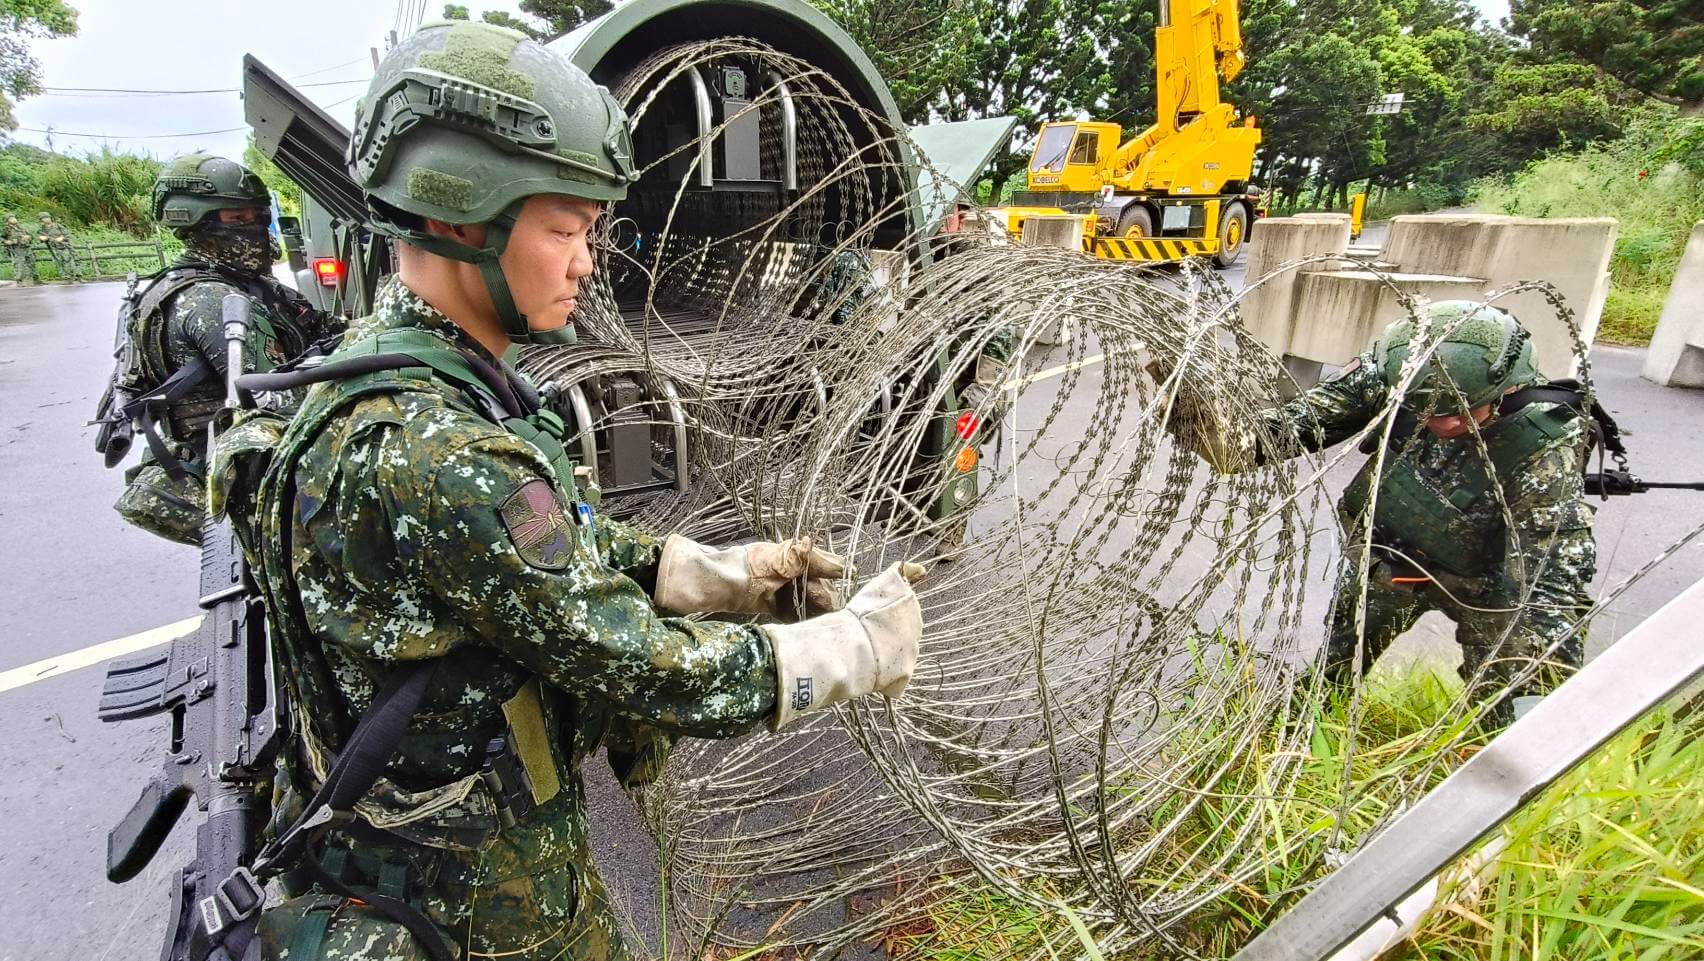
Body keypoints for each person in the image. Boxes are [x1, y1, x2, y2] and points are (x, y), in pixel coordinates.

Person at [208, 22, 925, 961]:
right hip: (473, 902)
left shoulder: (396, 378)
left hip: (397, 853)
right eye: (565, 228)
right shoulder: (444, 453)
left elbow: (532, 555)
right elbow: (641, 666)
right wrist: (844, 652)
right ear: (464, 217)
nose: (589, 260)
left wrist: (709, 570)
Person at [1172, 302, 1595, 724]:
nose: (1441, 423)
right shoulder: (1401, 374)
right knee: (1337, 669)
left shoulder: (1544, 446)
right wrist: (1192, 414)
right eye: (1427, 410)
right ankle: (1304, 733)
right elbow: (1276, 434)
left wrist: (1537, 705)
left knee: (1506, 699)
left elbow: (1548, 587)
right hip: (1387, 557)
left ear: (1506, 389)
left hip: (1483, 583)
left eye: (1458, 413)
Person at [108, 154, 332, 544]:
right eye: (237, 220)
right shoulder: (209, 301)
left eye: (259, 217)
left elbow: (327, 330)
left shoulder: (251, 286)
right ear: (195, 224)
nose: (256, 229)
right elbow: (285, 406)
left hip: (255, 468)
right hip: (249, 484)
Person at [37, 212, 82, 281]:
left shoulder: (58, 225)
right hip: (54, 248)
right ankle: (66, 276)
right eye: (44, 218)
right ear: (41, 220)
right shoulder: (42, 229)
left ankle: (76, 275)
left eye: (48, 217)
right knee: (59, 262)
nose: (47, 219)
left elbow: (67, 235)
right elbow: (41, 238)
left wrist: (62, 238)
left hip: (65, 246)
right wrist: (43, 238)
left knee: (70, 260)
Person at [3, 213, 34, 285]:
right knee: (19, 265)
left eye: (14, 217)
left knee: (31, 263)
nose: (13, 219)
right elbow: (2, 238)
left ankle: (35, 278)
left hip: (26, 247)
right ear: (7, 221)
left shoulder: (21, 228)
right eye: (11, 218)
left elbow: (31, 236)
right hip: (17, 249)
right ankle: (19, 280)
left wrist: (28, 237)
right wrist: (7, 241)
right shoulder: (6, 229)